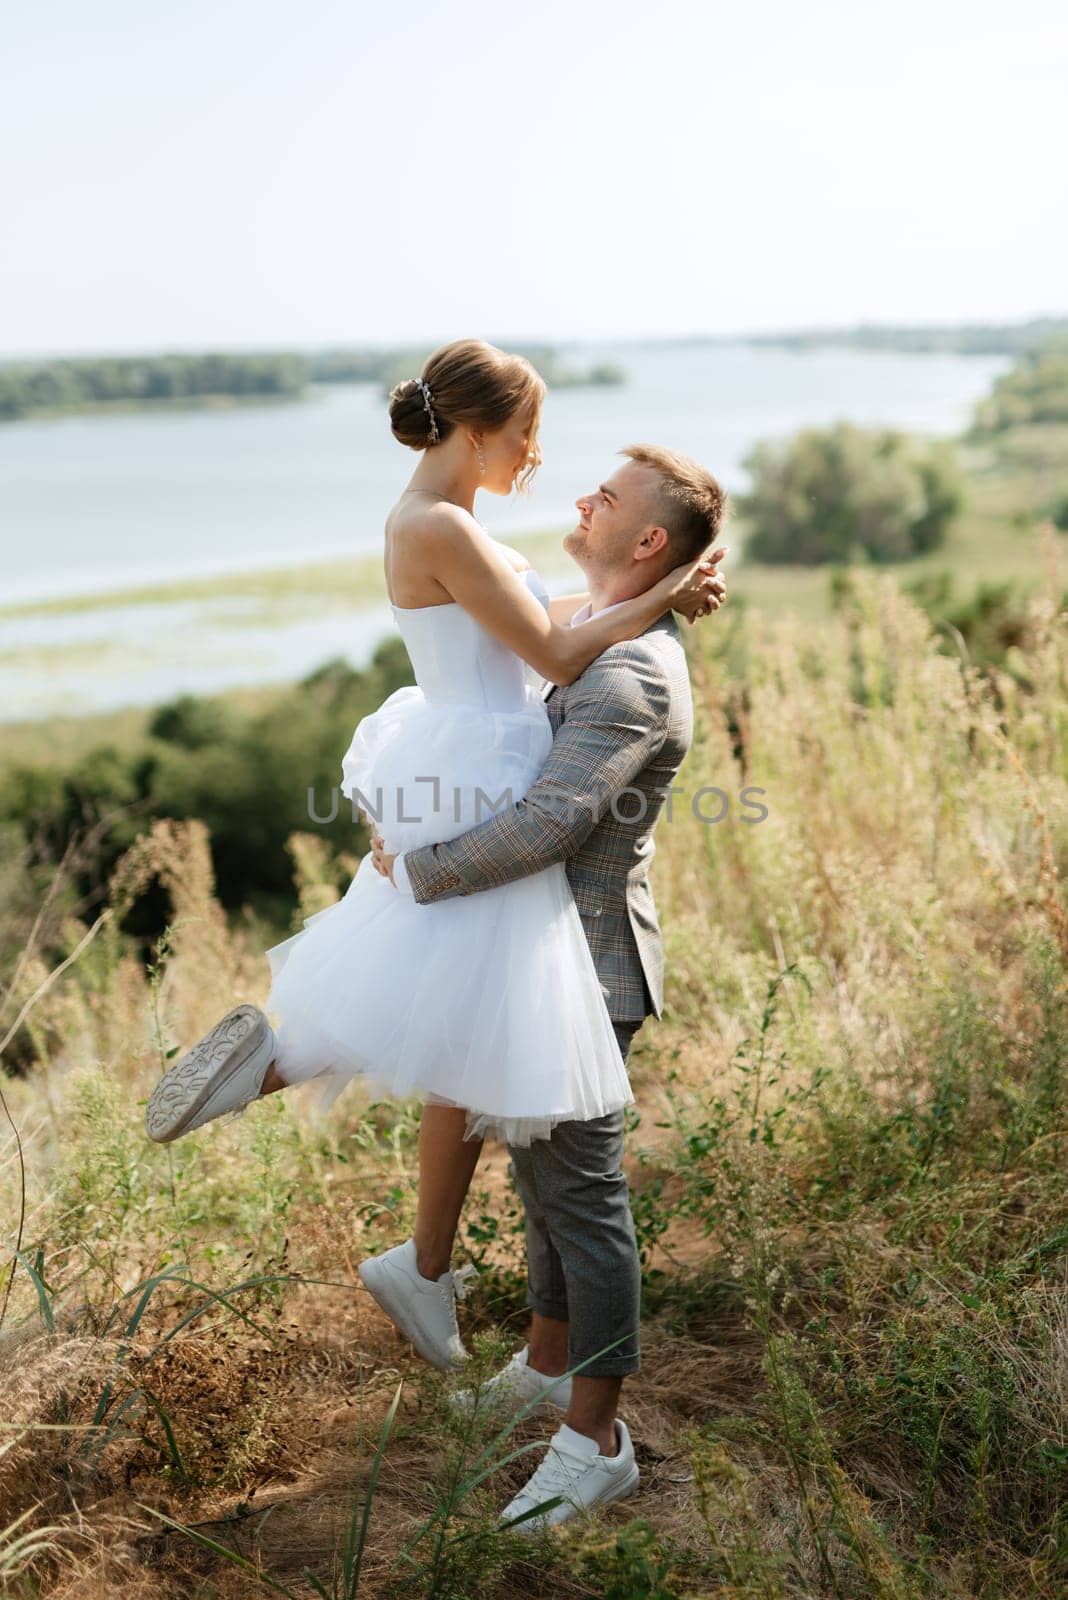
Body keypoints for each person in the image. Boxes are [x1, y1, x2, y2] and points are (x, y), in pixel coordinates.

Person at [143, 340, 726, 1394]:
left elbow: (552, 628)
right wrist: (671, 590)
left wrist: (653, 595)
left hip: (479, 751)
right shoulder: (439, 525)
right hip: (484, 762)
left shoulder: (454, 522)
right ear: (475, 429)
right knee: (454, 992)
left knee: (444, 999)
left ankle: (364, 1180)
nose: (539, 456)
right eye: (526, 434)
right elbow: (555, 659)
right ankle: (286, 1073)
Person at [367, 437, 726, 1531]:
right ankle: (541, 1364)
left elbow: (551, 822)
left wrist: (412, 869)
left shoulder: (630, 673)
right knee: (538, 1186)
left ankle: (596, 1437)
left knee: (585, 1205)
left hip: (588, 965)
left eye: (607, 498)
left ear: (647, 538)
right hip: (540, 960)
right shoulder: (597, 643)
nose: (583, 496)